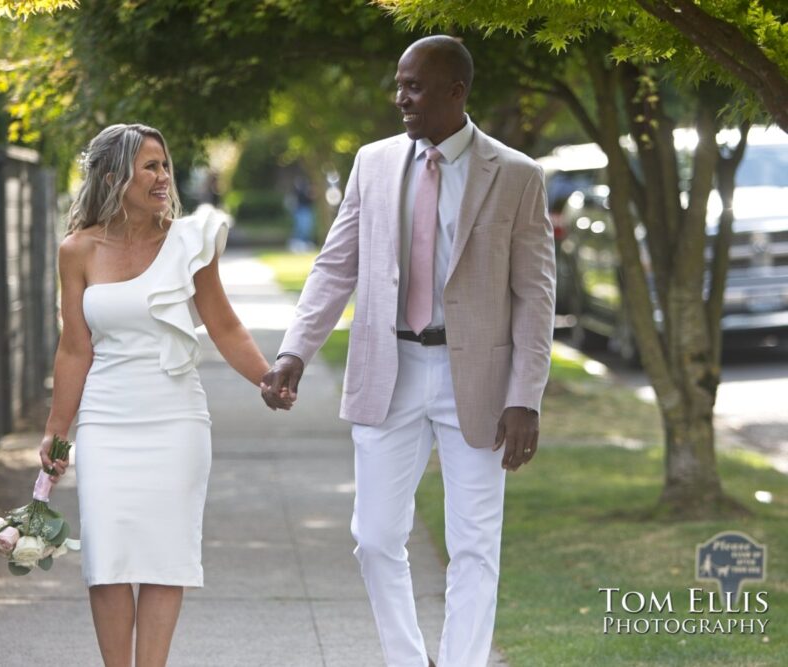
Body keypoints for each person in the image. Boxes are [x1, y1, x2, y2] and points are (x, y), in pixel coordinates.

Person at [261, 36, 556, 667]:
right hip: (388, 369)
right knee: (373, 538)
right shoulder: (372, 163)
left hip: (476, 379)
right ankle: (406, 657)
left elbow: (535, 296)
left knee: (475, 544)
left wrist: (525, 396)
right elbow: (335, 265)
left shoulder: (516, 175)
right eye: (399, 85)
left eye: (414, 86)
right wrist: (295, 351)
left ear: (456, 91)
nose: (401, 98)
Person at [39, 123, 279, 667]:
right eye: (150, 166)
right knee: (105, 559)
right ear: (112, 177)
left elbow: (224, 326)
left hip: (176, 420)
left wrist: (267, 378)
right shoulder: (76, 250)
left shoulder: (190, 243)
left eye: (164, 165)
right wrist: (56, 431)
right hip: (105, 421)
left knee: (165, 559)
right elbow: (74, 349)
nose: (163, 176)